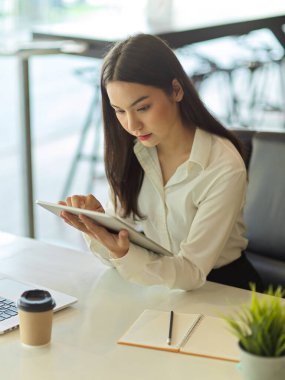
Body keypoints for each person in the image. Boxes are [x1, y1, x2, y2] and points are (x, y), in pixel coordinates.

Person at [60, 33, 263, 292]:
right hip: (162, 286)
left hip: (224, 289)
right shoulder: (131, 152)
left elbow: (191, 271)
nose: (132, 125)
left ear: (176, 90)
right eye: (120, 111)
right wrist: (97, 226)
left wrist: (125, 255)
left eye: (143, 107)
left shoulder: (222, 166)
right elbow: (117, 260)